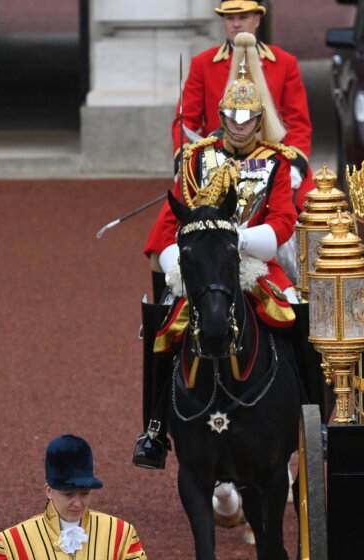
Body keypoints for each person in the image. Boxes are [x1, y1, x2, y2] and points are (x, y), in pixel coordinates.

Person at [133, 33, 299, 469]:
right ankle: (154, 429)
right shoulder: (195, 157)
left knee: (295, 315)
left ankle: (304, 415)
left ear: (258, 118)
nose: (239, 124)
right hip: (201, 265)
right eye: (232, 115)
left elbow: (282, 221)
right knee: (161, 322)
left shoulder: (277, 161)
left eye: (248, 117)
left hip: (254, 263)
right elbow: (171, 224)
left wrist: (238, 240)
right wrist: (178, 263)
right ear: (222, 114)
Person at [172, 0, 312, 184]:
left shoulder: (284, 62)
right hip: (217, 160)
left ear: (257, 19)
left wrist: (294, 165)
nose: (236, 24)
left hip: (273, 157)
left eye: (243, 17)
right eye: (230, 18)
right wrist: (185, 160)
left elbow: (297, 122)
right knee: (174, 212)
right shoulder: (203, 63)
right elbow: (185, 121)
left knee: (307, 206)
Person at [0, 434, 147, 559]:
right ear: (48, 491)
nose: (78, 503)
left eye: (85, 493)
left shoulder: (121, 534)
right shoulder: (11, 544)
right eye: (68, 494)